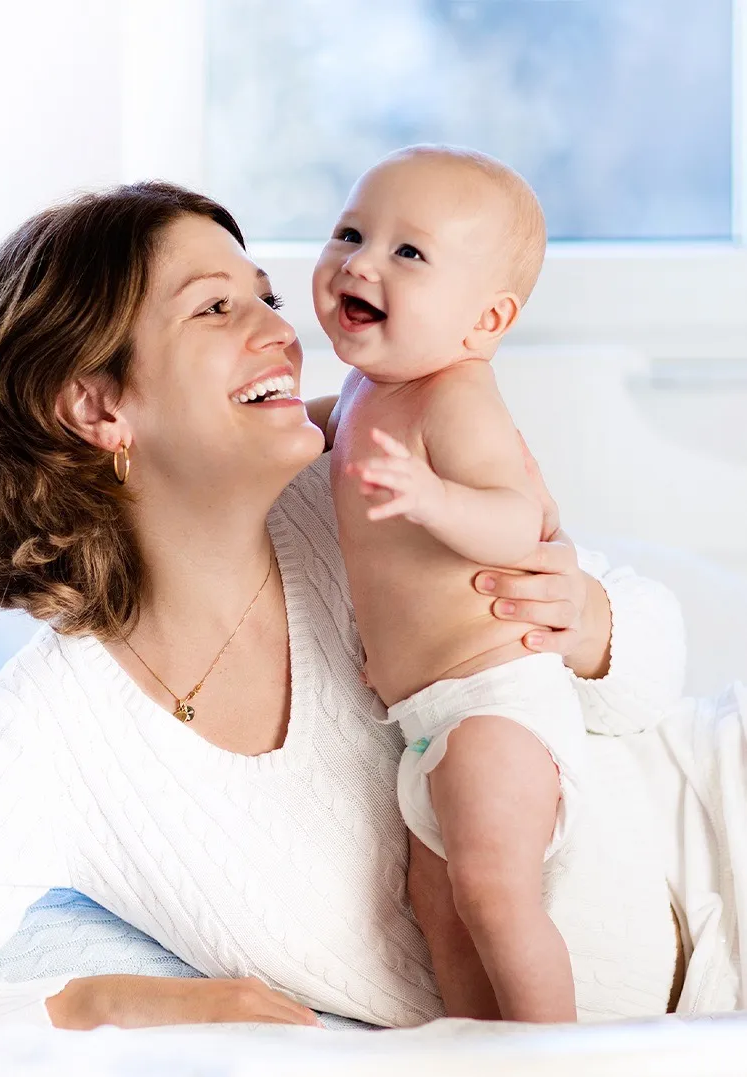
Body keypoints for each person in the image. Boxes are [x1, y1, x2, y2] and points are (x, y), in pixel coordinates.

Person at [0, 182, 684, 1029]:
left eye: (265, 293)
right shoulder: (47, 734)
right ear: (98, 405)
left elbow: (653, 677)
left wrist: (590, 623)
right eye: (217, 308)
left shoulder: (361, 485)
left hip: (715, 859)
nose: (281, 330)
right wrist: (106, 999)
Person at [314, 146, 582, 1021]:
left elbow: (519, 519)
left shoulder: (454, 396)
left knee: (496, 895)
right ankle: (474, 1049)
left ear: (483, 322)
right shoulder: (360, 390)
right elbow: (303, 428)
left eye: (408, 253)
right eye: (351, 232)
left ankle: (557, 1055)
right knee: (442, 910)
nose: (359, 262)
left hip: (495, 700)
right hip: (424, 721)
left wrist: (432, 497)